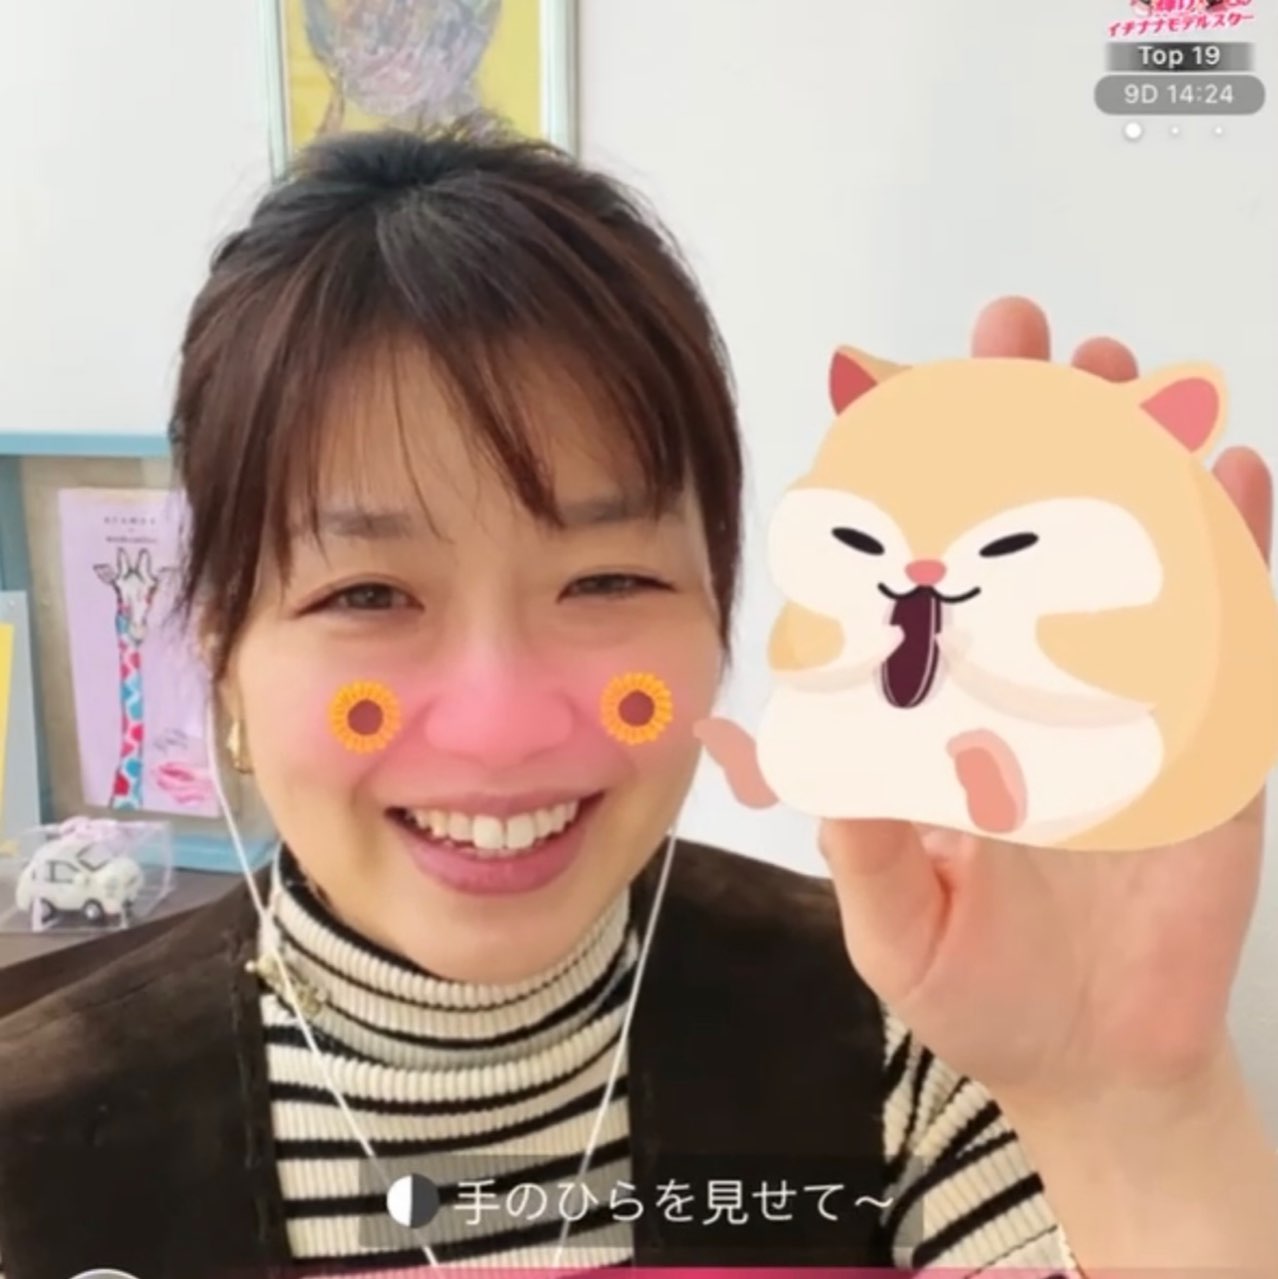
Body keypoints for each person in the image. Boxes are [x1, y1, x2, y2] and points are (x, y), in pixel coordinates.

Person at [0, 117, 1275, 1278]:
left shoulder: (898, 1046)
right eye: (369, 594)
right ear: (223, 648)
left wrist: (1138, 1115)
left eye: (607, 578)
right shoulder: (38, 1148)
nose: (501, 726)